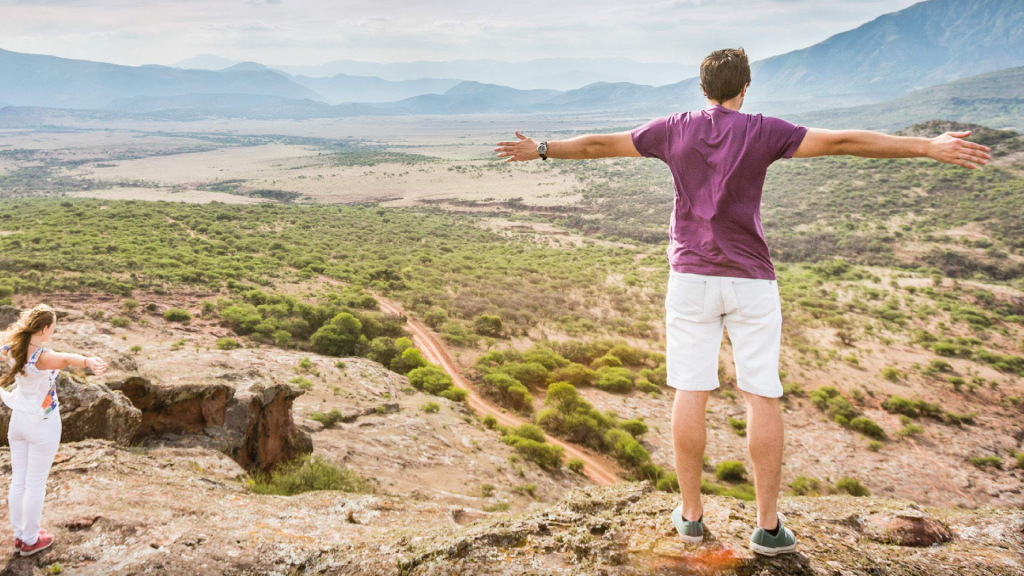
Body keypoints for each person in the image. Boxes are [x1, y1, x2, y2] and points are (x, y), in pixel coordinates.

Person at [493, 48, 991, 556]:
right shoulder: (762, 130)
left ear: (702, 87)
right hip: (751, 279)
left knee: (690, 389)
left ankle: (690, 518)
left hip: (690, 277)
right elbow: (843, 141)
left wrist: (543, 149)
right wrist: (927, 146)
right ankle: (768, 528)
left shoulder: (674, 128)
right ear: (745, 88)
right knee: (761, 393)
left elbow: (600, 145)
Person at [1, 304, 107, 557]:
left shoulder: (10, 347)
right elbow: (68, 359)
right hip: (42, 424)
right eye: (53, 328)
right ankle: (30, 539)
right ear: (45, 328)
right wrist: (89, 361)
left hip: (18, 421)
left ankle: (20, 535)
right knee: (36, 484)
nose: (54, 333)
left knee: (19, 481)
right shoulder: (41, 356)